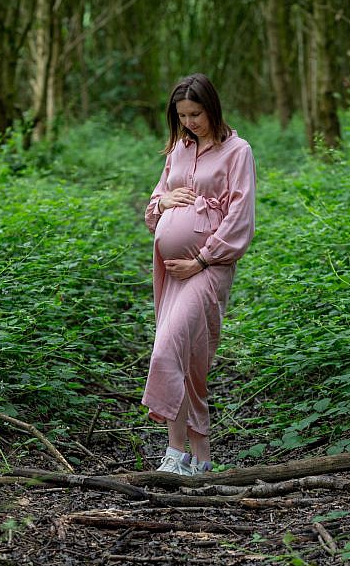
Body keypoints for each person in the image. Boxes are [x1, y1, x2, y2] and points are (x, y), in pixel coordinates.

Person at [142, 73, 256, 476]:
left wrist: (202, 260)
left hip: (207, 268)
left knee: (167, 349)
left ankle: (176, 453)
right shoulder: (178, 149)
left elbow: (241, 219)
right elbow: (155, 205)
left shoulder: (237, 151)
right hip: (170, 271)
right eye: (182, 115)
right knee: (186, 360)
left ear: (213, 107)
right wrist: (164, 201)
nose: (190, 122)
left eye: (196, 113)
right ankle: (199, 458)